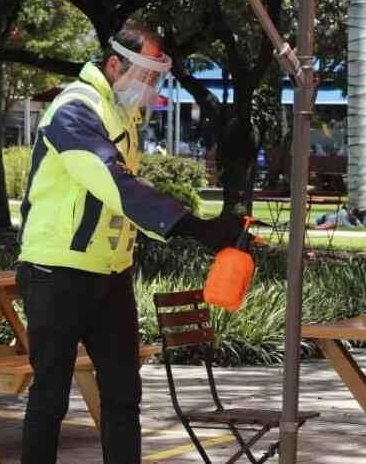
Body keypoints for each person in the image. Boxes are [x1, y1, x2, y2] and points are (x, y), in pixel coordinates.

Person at [16, 24, 245, 464]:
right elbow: (112, 182)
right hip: (55, 271)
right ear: (114, 64)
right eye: (146, 75)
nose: (152, 87)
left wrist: (199, 227)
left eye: (157, 77)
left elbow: (128, 193)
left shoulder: (121, 114)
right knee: (50, 398)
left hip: (110, 272)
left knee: (124, 395)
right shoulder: (75, 109)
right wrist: (192, 227)